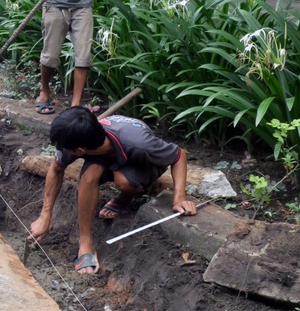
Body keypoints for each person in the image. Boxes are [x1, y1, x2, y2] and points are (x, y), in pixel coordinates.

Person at [29, 107, 198, 275]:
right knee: (89, 174)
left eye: (64, 148)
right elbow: (56, 170)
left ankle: (125, 197)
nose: (62, 150)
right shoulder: (78, 138)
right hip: (104, 154)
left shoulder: (141, 144)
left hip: (139, 161)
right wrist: (45, 215)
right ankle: (85, 242)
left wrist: (179, 198)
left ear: (80, 151)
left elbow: (178, 155)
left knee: (123, 181)